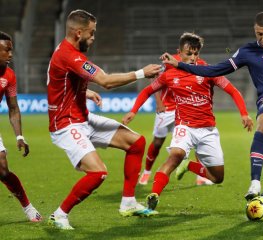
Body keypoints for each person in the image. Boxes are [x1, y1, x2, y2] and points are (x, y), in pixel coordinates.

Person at [161, 12, 263, 201]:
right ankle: (255, 182)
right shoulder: (247, 52)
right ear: (254, 31)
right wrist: (179, 65)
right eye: (259, 34)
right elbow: (214, 70)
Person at [46, 9, 161, 230]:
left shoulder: (67, 52)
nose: (94, 37)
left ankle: (128, 203)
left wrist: (83, 93)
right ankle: (59, 214)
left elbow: (55, 81)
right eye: (91, 32)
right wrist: (140, 73)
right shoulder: (70, 55)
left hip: (82, 118)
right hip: (66, 125)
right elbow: (106, 81)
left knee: (136, 143)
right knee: (98, 173)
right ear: (78, 32)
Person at [122, 32, 253, 211]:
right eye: (188, 54)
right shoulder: (170, 74)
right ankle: (153, 196)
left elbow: (233, 91)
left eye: (195, 54)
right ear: (179, 53)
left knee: (217, 178)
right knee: (174, 155)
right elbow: (147, 91)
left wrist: (244, 114)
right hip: (184, 126)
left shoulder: (208, 71)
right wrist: (133, 111)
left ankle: (189, 165)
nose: (192, 58)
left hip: (207, 130)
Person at [138, 55, 213, 186]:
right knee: (157, 142)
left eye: (195, 51)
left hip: (186, 108)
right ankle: (147, 172)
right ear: (181, 50)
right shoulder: (170, 61)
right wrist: (159, 102)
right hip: (167, 109)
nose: (192, 54)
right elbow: (154, 78)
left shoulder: (200, 63)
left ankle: (200, 176)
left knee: (197, 141)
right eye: (189, 50)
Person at [0, 31, 42, 222]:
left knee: (2, 169)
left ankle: (28, 208)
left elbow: (14, 108)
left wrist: (19, 136)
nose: (10, 54)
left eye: (12, 50)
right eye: (6, 50)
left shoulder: (9, 75)